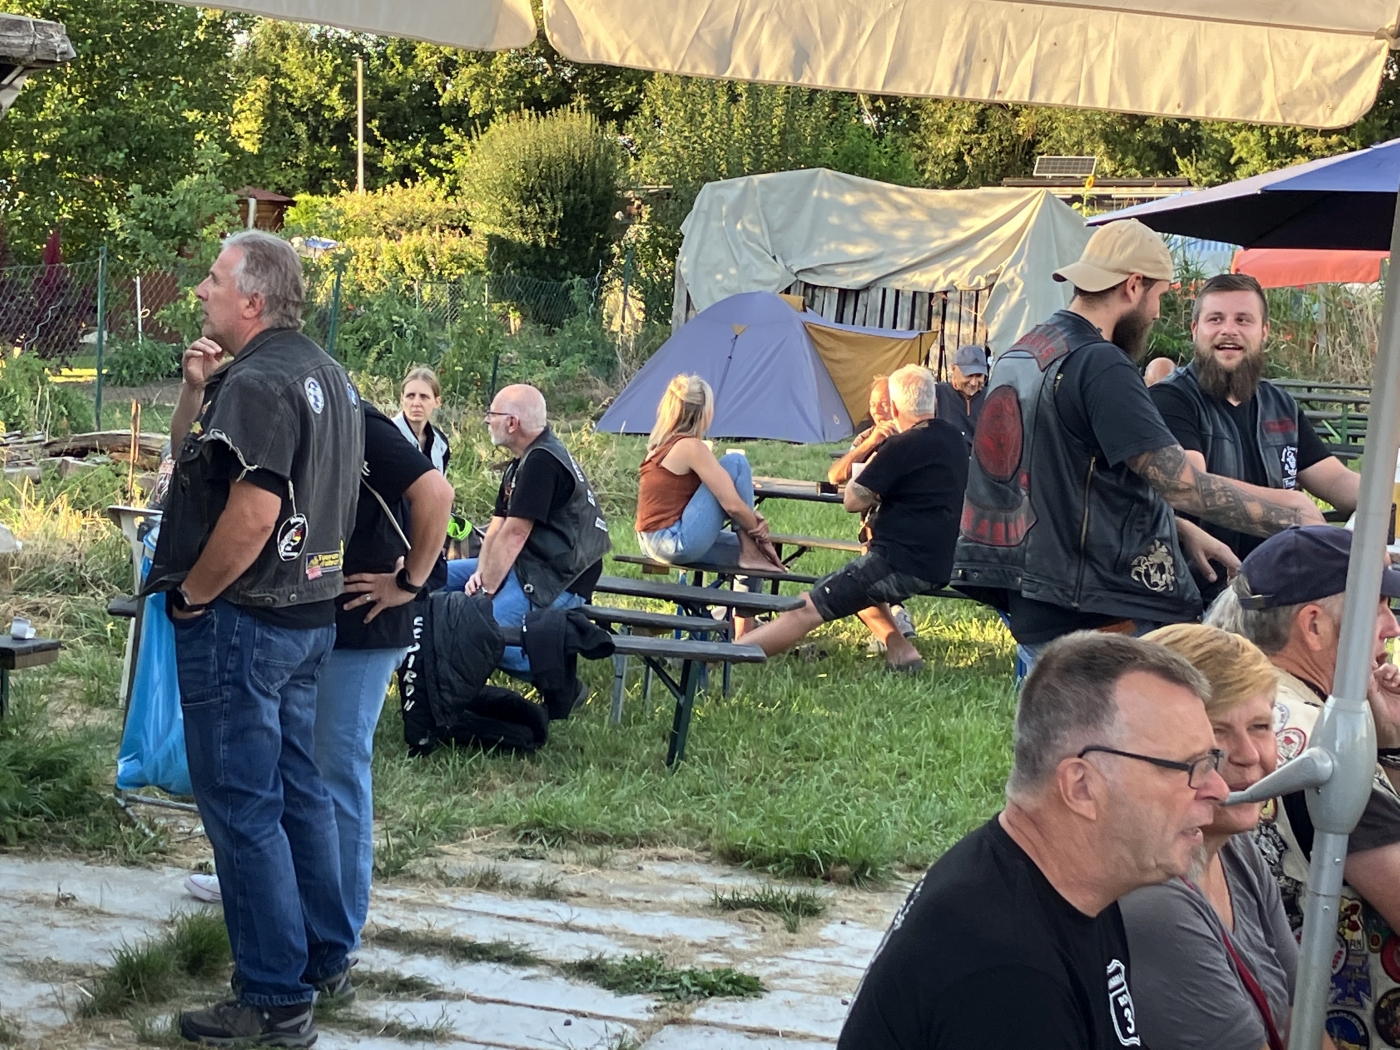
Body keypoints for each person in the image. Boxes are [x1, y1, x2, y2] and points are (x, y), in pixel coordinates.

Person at [143, 231, 363, 1047]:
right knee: (299, 791)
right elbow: (196, 465)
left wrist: (194, 597)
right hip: (309, 615)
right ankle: (324, 956)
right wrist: (195, 389)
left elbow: (255, 512)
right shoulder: (326, 373)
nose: (201, 290)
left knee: (243, 807)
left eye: (214, 278)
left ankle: (274, 997)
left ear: (253, 299)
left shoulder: (262, 382)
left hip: (247, 619)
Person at [951, 218, 1323, 671]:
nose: (1156, 314)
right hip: (1098, 610)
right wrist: (1294, 517)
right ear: (1133, 286)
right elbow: (1181, 484)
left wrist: (1176, 528)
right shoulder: (1101, 364)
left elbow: (1066, 479)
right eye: (1159, 296)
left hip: (1033, 599)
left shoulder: (1023, 352)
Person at [837, 631, 1228, 1048]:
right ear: (1081, 787)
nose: (1218, 789)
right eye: (1189, 768)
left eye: (1212, 761)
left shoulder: (1072, 886)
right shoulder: (1007, 975)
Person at [1206, 525, 1400, 1045]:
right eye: (1378, 606)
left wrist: (1390, 742)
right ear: (1314, 626)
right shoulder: (1325, 740)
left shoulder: (1256, 710)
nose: (1391, 627)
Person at [1118, 623, 1298, 1050]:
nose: (1249, 756)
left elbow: (1300, 1016)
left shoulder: (1235, 847)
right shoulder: (1153, 897)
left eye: (1260, 726)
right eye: (1217, 735)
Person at [313, 401, 453, 948]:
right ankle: (286, 892)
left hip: (368, 620)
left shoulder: (356, 420)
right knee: (299, 765)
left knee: (339, 769)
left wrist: (409, 583)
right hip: (322, 615)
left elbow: (437, 495)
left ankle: (340, 929)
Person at [1150, 273, 1360, 604]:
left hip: (1278, 591)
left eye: (1243, 320)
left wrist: (1387, 496)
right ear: (1195, 330)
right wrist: (1290, 504)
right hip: (1203, 596)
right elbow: (1190, 484)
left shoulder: (1280, 404)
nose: (1228, 329)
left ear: (1264, 332)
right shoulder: (1171, 399)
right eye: (1215, 319)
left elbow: (1335, 480)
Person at [741, 366, 967, 671]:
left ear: (895, 408)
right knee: (857, 587)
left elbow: (852, 500)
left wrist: (876, 464)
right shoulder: (955, 439)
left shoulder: (902, 445)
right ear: (934, 402)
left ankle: (715, 656)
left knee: (806, 608)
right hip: (942, 560)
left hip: (899, 562)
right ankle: (902, 652)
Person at [444, 383, 610, 680]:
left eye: (492, 414)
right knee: (435, 578)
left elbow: (515, 534)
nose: (487, 420)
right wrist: (481, 574)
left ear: (512, 422)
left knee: (480, 631)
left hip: (558, 577)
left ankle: (557, 678)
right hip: (527, 565)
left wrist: (485, 593)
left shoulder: (542, 462)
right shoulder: (521, 461)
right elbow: (497, 528)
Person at [635, 374, 784, 573]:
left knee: (752, 551)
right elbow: (732, 506)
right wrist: (760, 533)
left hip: (650, 542)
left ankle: (749, 561)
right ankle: (750, 552)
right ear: (704, 413)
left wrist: (750, 519)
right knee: (736, 462)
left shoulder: (661, 446)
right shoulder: (691, 447)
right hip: (671, 540)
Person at [829, 375, 893, 485]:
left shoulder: (912, 435)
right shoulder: (865, 437)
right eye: (872, 405)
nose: (876, 411)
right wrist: (870, 443)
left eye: (883, 404)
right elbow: (834, 477)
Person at [393, 365, 450, 473]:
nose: (416, 403)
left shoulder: (441, 444)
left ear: (437, 402)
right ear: (401, 399)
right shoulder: (388, 434)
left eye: (424, 397)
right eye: (410, 396)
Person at [933, 344, 987, 446]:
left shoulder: (990, 397)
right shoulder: (936, 394)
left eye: (979, 375)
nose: (974, 383)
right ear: (953, 369)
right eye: (969, 375)